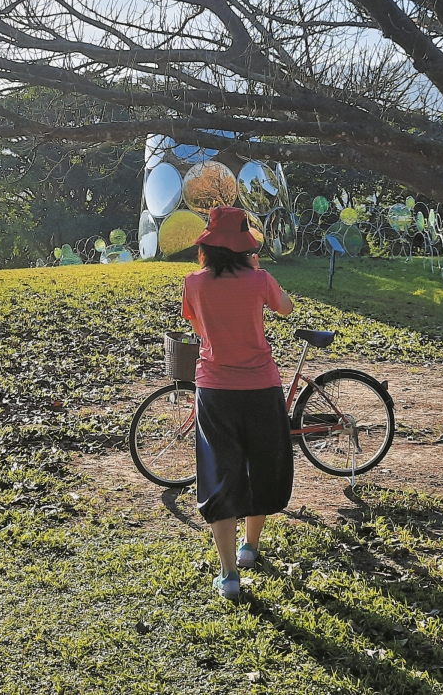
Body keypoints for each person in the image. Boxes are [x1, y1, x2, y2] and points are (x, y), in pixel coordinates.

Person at [182, 204, 295, 602]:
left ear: (208, 244)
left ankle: (229, 574)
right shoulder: (260, 279)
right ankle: (251, 548)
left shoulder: (193, 283)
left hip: (215, 390)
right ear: (244, 244)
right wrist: (257, 271)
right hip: (262, 387)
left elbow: (199, 329)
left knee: (220, 475)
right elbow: (286, 308)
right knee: (260, 466)